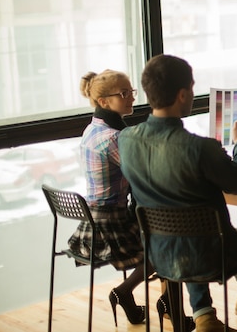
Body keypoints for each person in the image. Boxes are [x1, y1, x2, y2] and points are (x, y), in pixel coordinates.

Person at [117, 54, 237, 332]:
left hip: (158, 254)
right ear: (181, 94)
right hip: (213, 254)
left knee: (188, 234)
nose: (192, 93)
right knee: (236, 236)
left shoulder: (126, 140)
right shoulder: (200, 148)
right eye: (191, 87)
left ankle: (204, 314)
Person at [68, 70, 154, 327]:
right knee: (163, 249)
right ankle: (125, 291)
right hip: (109, 223)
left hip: (92, 219)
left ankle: (165, 306)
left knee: (160, 239)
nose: (131, 98)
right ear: (104, 102)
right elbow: (144, 175)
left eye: (131, 91)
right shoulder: (114, 137)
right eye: (124, 94)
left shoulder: (93, 129)